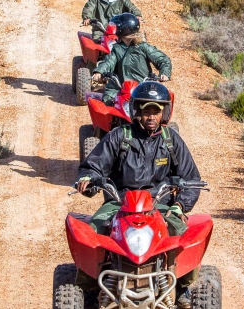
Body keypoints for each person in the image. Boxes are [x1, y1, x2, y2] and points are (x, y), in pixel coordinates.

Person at [76, 81, 201, 308]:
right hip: (119, 203)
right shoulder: (119, 137)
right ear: (137, 111)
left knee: (184, 235)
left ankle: (182, 288)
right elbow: (92, 166)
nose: (151, 116)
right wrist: (87, 180)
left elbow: (191, 178)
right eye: (146, 111)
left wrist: (179, 205)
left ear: (164, 112)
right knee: (92, 233)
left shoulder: (170, 140)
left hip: (159, 204)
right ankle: (87, 291)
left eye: (156, 111)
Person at [92, 13, 170, 105]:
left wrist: (164, 73)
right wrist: (99, 71)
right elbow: (108, 62)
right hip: (119, 86)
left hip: (142, 86)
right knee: (108, 103)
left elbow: (163, 59)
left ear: (123, 29)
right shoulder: (117, 48)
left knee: (153, 106)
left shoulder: (143, 47)